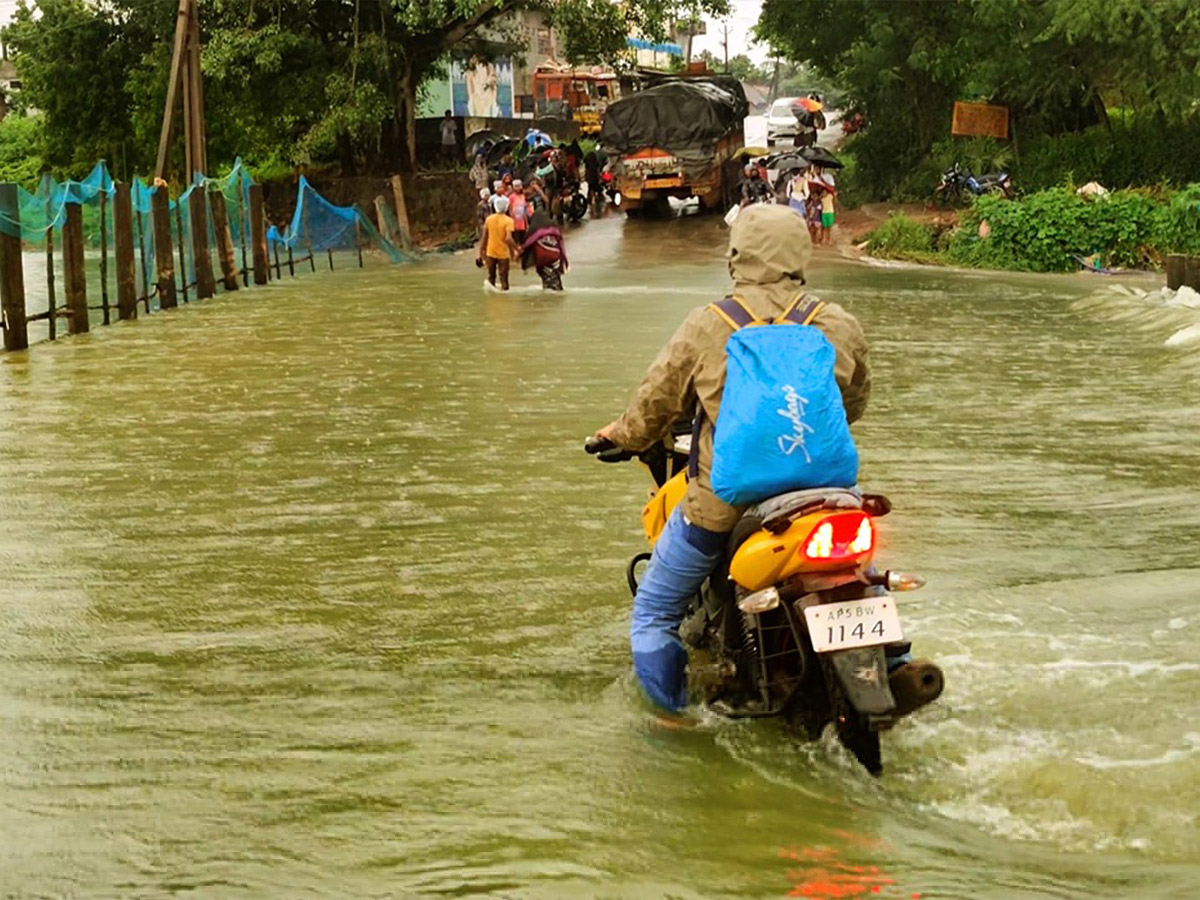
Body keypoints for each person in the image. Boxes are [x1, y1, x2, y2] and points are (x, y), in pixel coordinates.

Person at [593, 205, 871, 714]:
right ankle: (891, 669)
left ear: (736, 255)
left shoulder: (710, 323)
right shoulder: (835, 321)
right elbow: (853, 404)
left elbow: (655, 404)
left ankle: (671, 724)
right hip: (829, 501)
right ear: (800, 251)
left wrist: (623, 435)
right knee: (868, 582)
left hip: (724, 506)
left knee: (653, 613)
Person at [477, 194, 519, 291]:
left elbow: (484, 237)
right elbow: (508, 239)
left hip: (490, 252)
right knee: (504, 280)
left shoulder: (489, 219)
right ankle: (504, 301)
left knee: (491, 278)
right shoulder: (509, 221)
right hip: (503, 254)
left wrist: (480, 253)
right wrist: (516, 249)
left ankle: (492, 301)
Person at [520, 210, 568, 291]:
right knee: (556, 279)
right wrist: (565, 260)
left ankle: (548, 299)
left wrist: (520, 255)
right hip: (556, 258)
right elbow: (561, 243)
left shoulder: (534, 229)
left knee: (547, 281)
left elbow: (527, 244)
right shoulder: (554, 227)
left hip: (542, 260)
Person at [509, 180, 529, 246]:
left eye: (519, 186)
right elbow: (510, 209)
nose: (517, 188)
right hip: (515, 221)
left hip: (522, 221)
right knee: (516, 240)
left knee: (523, 240)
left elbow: (525, 210)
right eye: (516, 186)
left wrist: (526, 222)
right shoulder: (511, 197)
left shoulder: (523, 196)